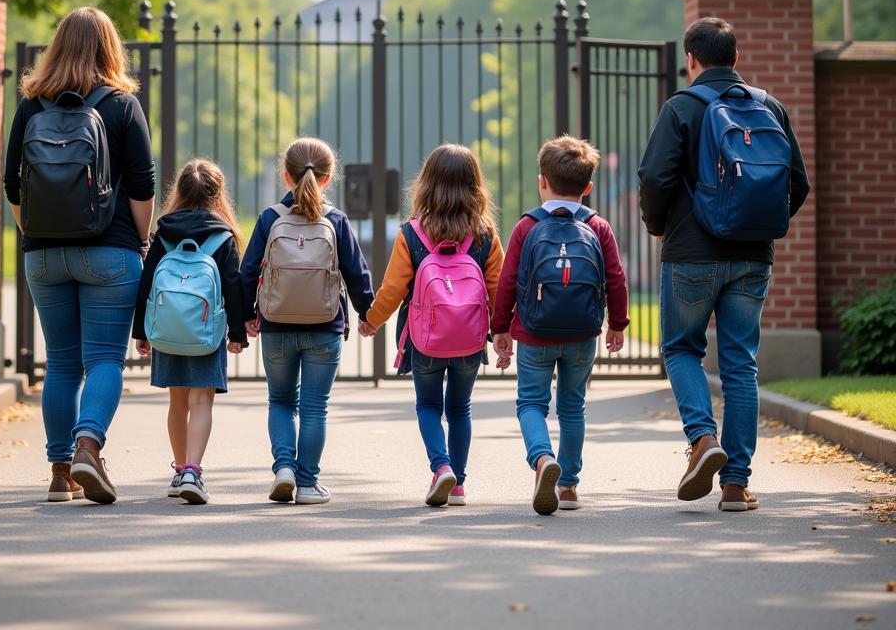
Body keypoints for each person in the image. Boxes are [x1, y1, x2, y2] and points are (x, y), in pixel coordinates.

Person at [638, 16, 809, 512]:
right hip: (753, 257)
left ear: (691, 60)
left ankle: (702, 439)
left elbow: (654, 177)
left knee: (681, 350)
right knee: (740, 365)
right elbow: (797, 184)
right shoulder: (769, 106)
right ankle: (736, 485)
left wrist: (658, 226)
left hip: (691, 252)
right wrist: (758, 225)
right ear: (735, 57)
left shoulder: (682, 107)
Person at [4, 7, 155, 505]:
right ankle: (88, 444)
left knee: (62, 364)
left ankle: (59, 471)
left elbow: (11, 183)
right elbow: (142, 184)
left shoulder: (32, 104)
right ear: (111, 48)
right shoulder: (121, 104)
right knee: (105, 358)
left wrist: (34, 235)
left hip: (42, 256)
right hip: (109, 251)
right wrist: (139, 240)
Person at [360, 144, 504, 508]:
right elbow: (498, 289)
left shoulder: (412, 234)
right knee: (461, 408)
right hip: (470, 341)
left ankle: (440, 468)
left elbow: (393, 289)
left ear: (426, 185)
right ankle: (458, 485)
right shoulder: (485, 234)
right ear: (475, 186)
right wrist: (503, 333)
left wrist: (371, 321)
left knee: (427, 405)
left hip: (424, 341)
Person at [493, 136, 629, 515]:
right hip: (583, 334)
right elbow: (615, 277)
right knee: (573, 408)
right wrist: (617, 323)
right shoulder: (598, 226)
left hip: (534, 334)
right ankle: (567, 485)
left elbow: (507, 281)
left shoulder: (526, 226)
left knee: (531, 403)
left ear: (542, 182)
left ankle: (541, 460)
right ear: (587, 187)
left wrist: (500, 327)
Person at [240, 137, 374, 505]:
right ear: (328, 178)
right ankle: (308, 483)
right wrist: (368, 315)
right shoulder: (336, 220)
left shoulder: (269, 218)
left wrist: (246, 316)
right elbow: (357, 274)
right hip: (324, 326)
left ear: (286, 176)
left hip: (277, 325)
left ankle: (284, 467)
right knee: (315, 406)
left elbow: (248, 272)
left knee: (281, 401)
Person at [133, 160, 248, 505]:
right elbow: (233, 286)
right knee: (201, 401)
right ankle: (193, 472)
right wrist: (238, 333)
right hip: (205, 331)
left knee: (177, 401)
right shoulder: (223, 235)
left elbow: (146, 285)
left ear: (179, 192)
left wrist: (142, 331)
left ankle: (179, 468)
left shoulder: (164, 232)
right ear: (218, 195)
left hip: (167, 330)